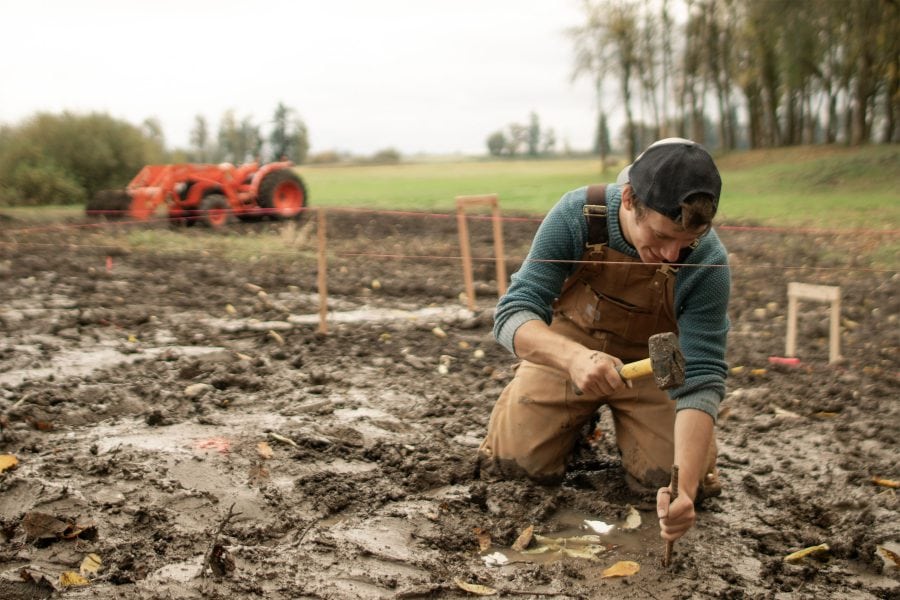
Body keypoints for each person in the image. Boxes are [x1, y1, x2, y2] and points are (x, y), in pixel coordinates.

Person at [478, 138, 730, 544]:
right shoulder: (579, 214)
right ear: (629, 199)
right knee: (514, 466)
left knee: (665, 479)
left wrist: (685, 493)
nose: (670, 254)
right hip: (568, 348)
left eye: (684, 244)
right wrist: (574, 358)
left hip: (654, 365)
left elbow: (702, 376)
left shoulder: (707, 261)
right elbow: (513, 313)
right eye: (661, 236)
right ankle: (573, 425)